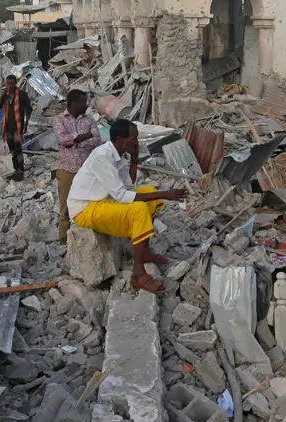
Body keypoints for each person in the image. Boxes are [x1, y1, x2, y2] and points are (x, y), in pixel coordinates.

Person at [67, 119, 188, 293]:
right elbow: (122, 196)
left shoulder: (118, 154)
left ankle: (143, 251)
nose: (136, 142)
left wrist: (134, 159)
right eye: (133, 139)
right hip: (85, 208)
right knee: (139, 208)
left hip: (102, 201)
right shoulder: (102, 156)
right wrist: (164, 194)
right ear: (119, 139)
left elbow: (128, 183)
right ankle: (138, 274)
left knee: (148, 192)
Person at [53, 89, 102, 241]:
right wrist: (86, 136)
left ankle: (89, 238)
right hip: (67, 169)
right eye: (83, 103)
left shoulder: (89, 120)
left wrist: (75, 140)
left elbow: (97, 140)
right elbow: (63, 140)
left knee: (90, 203)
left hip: (87, 170)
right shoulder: (59, 119)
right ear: (73, 104)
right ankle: (62, 239)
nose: (86, 105)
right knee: (65, 207)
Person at [0, 75, 31, 181]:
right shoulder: (6, 96)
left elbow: (29, 109)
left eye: (12, 83)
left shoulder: (22, 94)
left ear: (16, 83)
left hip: (18, 127)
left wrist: (26, 124)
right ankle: (15, 170)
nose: (10, 86)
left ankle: (20, 170)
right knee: (12, 150)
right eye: (8, 84)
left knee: (18, 150)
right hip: (8, 127)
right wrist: (3, 95)